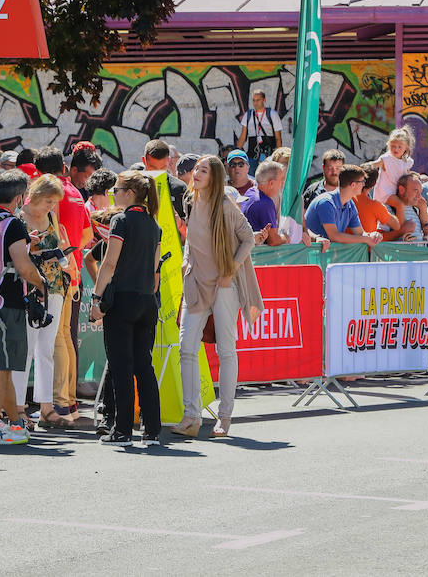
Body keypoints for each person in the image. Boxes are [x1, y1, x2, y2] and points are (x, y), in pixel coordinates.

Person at [173, 156, 260, 438]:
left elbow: (248, 238)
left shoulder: (224, 206)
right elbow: (193, 241)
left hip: (224, 285)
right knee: (186, 347)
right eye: (196, 169)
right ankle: (191, 416)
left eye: (203, 170)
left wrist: (231, 268)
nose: (196, 173)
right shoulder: (191, 202)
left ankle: (224, 416)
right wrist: (187, 261)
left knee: (225, 350)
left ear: (215, 176)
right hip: (196, 283)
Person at [0, 170, 46, 446]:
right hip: (6, 304)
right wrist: (43, 284)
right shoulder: (12, 224)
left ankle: (14, 423)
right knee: (0, 369)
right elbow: (24, 267)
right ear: (18, 197)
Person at [89, 171, 162, 447]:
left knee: (121, 367)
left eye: (116, 189)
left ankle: (122, 432)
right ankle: (152, 430)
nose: (113, 194)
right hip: (146, 301)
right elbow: (154, 270)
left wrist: (96, 299)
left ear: (129, 193)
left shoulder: (121, 220)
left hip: (123, 300)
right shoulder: (153, 224)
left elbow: (108, 263)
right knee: (144, 366)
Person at [32, 145, 90, 420]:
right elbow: (88, 235)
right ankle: (68, 401)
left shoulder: (53, 195)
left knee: (56, 339)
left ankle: (58, 402)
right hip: (72, 269)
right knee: (65, 336)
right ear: (63, 166)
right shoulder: (76, 193)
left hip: (55, 275)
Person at [14, 173, 71, 429]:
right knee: (26, 348)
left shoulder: (52, 217)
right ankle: (18, 407)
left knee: (46, 347)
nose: (52, 206)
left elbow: (58, 243)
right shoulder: (18, 216)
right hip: (29, 287)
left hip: (54, 286)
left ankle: (46, 406)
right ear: (35, 196)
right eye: (49, 201)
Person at [304, 165, 382, 246]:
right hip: (309, 256)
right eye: (362, 181)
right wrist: (366, 239)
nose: (363, 185)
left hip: (325, 255)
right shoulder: (325, 203)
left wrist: (372, 236)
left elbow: (360, 233)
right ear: (353, 185)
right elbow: (334, 236)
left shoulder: (350, 204)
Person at [142, 139, 188, 226]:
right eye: (153, 167)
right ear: (144, 161)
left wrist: (179, 222)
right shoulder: (132, 185)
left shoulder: (179, 188)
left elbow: (189, 231)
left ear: (169, 161)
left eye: (163, 167)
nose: (158, 172)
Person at [244, 160, 289, 246]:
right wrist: (286, 238)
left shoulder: (250, 191)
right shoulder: (265, 203)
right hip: (255, 256)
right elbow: (273, 241)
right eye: (280, 180)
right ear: (271, 183)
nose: (283, 183)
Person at [235, 90, 283, 172]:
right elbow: (243, 137)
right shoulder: (248, 115)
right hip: (252, 154)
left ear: (264, 100)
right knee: (251, 176)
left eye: (258, 100)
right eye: (253, 100)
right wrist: (236, 152)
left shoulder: (272, 114)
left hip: (269, 154)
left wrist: (278, 157)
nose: (255, 103)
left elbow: (278, 138)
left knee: (267, 178)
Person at [354, 164, 403, 239]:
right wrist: (397, 205)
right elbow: (396, 225)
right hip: (365, 249)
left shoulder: (346, 199)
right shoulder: (376, 206)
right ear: (374, 184)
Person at [385, 173, 428, 241]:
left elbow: (420, 242)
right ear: (402, 190)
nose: (419, 196)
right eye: (416, 191)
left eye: (420, 192)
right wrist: (400, 232)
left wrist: (427, 234)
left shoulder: (416, 209)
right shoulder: (388, 208)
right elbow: (379, 238)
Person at [374, 128, 415, 203]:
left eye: (400, 147)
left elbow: (408, 174)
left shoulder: (407, 161)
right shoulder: (386, 158)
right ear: (389, 144)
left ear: (406, 147)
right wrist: (363, 167)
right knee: (400, 205)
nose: (396, 149)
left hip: (399, 192)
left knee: (421, 203)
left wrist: (415, 177)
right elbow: (374, 165)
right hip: (386, 192)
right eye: (393, 146)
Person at [301, 148, 346, 215]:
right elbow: (303, 218)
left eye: (337, 168)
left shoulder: (349, 191)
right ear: (323, 167)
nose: (334, 172)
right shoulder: (312, 191)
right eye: (330, 168)